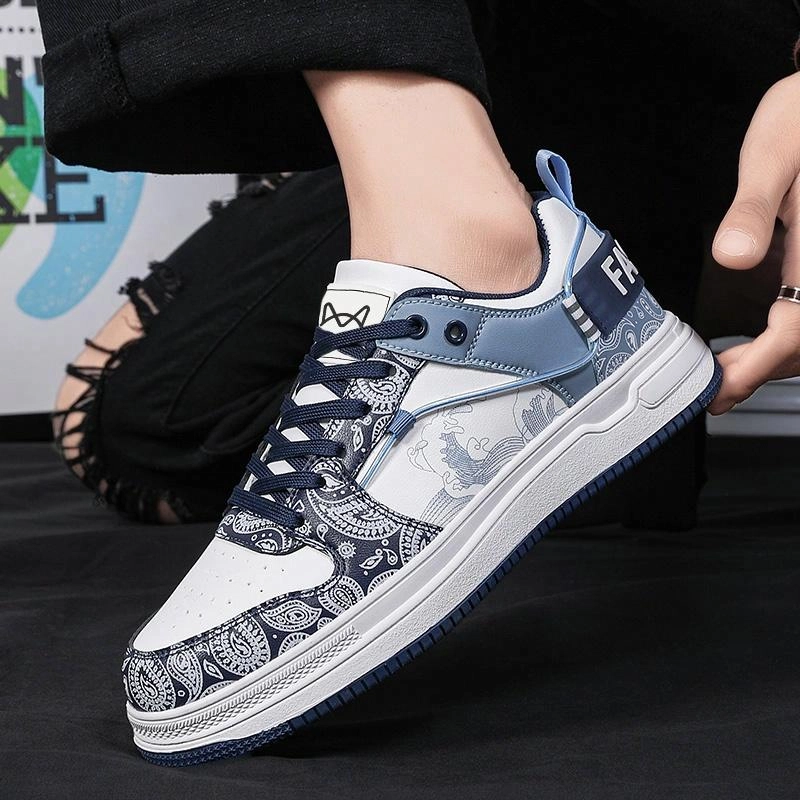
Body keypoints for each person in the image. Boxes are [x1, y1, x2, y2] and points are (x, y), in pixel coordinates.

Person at [36, 0, 800, 763]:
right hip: (517, 46)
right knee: (133, 421)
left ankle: (473, 251)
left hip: (724, 55)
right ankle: (476, 228)